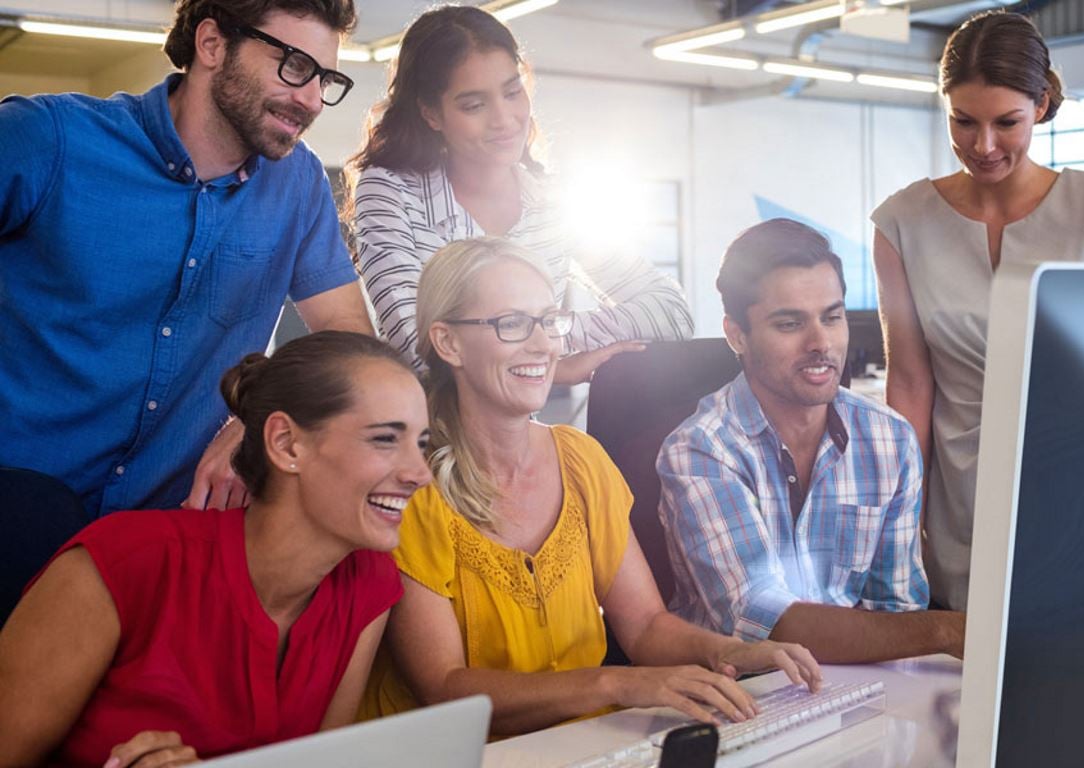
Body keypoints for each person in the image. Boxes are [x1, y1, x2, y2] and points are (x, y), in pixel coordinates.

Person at [359, 238, 820, 737]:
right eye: (512, 324)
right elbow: (443, 688)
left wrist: (726, 650)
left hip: (579, 746)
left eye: (548, 320)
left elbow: (644, 624)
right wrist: (614, 685)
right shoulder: (410, 486)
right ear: (448, 343)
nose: (543, 345)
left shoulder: (582, 461)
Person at [0, 0, 373, 520]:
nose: (311, 99)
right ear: (213, 44)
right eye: (294, 66)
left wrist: (261, 412)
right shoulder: (46, 139)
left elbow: (349, 336)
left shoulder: (299, 186)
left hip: (159, 539)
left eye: (324, 78)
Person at [0, 332, 431, 768]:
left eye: (422, 445)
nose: (420, 474)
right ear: (285, 443)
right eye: (385, 439)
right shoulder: (121, 564)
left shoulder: (370, 585)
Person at [871, 10, 1084, 611]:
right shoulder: (901, 223)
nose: (982, 145)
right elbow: (911, 387)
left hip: (1078, 487)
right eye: (963, 122)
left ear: (1041, 105)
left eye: (1006, 123)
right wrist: (898, 521)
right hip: (957, 500)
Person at [657, 219, 965, 665]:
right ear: (736, 335)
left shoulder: (889, 438)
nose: (821, 343)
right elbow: (765, 625)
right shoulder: (702, 449)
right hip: (741, 694)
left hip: (860, 685)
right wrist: (949, 630)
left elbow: (897, 609)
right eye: (789, 324)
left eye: (832, 317)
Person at [348, 5, 692, 386]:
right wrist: (549, 363)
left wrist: (552, 333)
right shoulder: (389, 190)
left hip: (516, 436)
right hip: (426, 436)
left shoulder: (552, 205)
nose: (504, 119)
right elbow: (419, 347)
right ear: (431, 114)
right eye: (474, 105)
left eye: (513, 92)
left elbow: (671, 312)